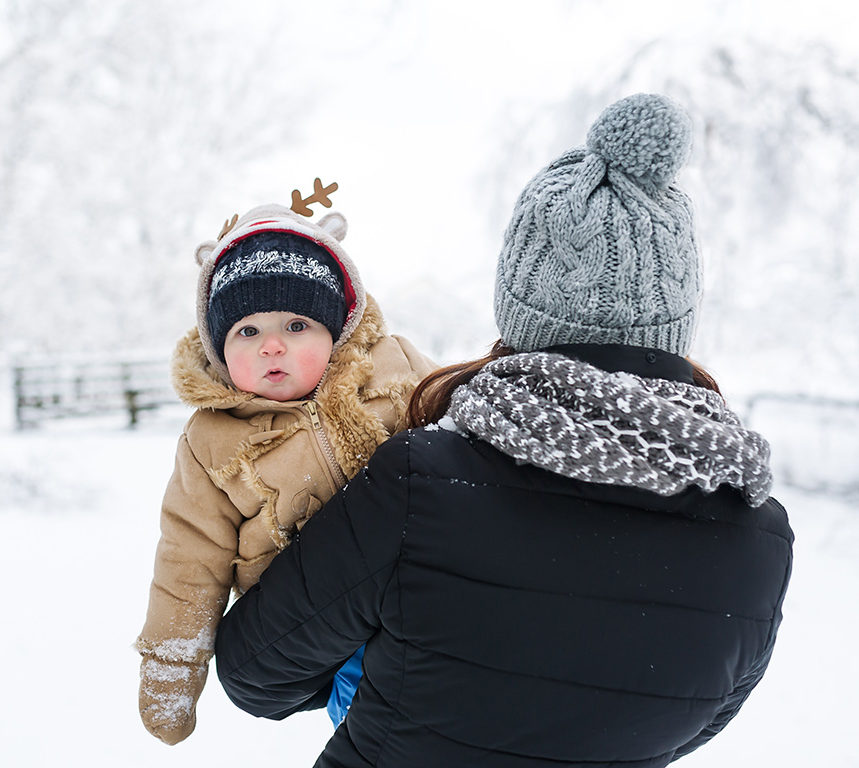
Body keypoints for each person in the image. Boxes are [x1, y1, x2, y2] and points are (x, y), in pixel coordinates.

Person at [214, 94, 794, 767]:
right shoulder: (760, 534)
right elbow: (698, 725)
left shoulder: (421, 483)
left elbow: (257, 673)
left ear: (521, 306)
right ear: (677, 315)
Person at [135, 183, 437, 745]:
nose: (271, 346)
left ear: (337, 328)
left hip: (427, 586)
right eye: (248, 331)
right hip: (322, 624)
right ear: (219, 348)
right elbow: (188, 557)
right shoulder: (211, 441)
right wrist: (172, 668)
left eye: (296, 326)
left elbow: (466, 413)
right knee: (382, 724)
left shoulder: (395, 366)